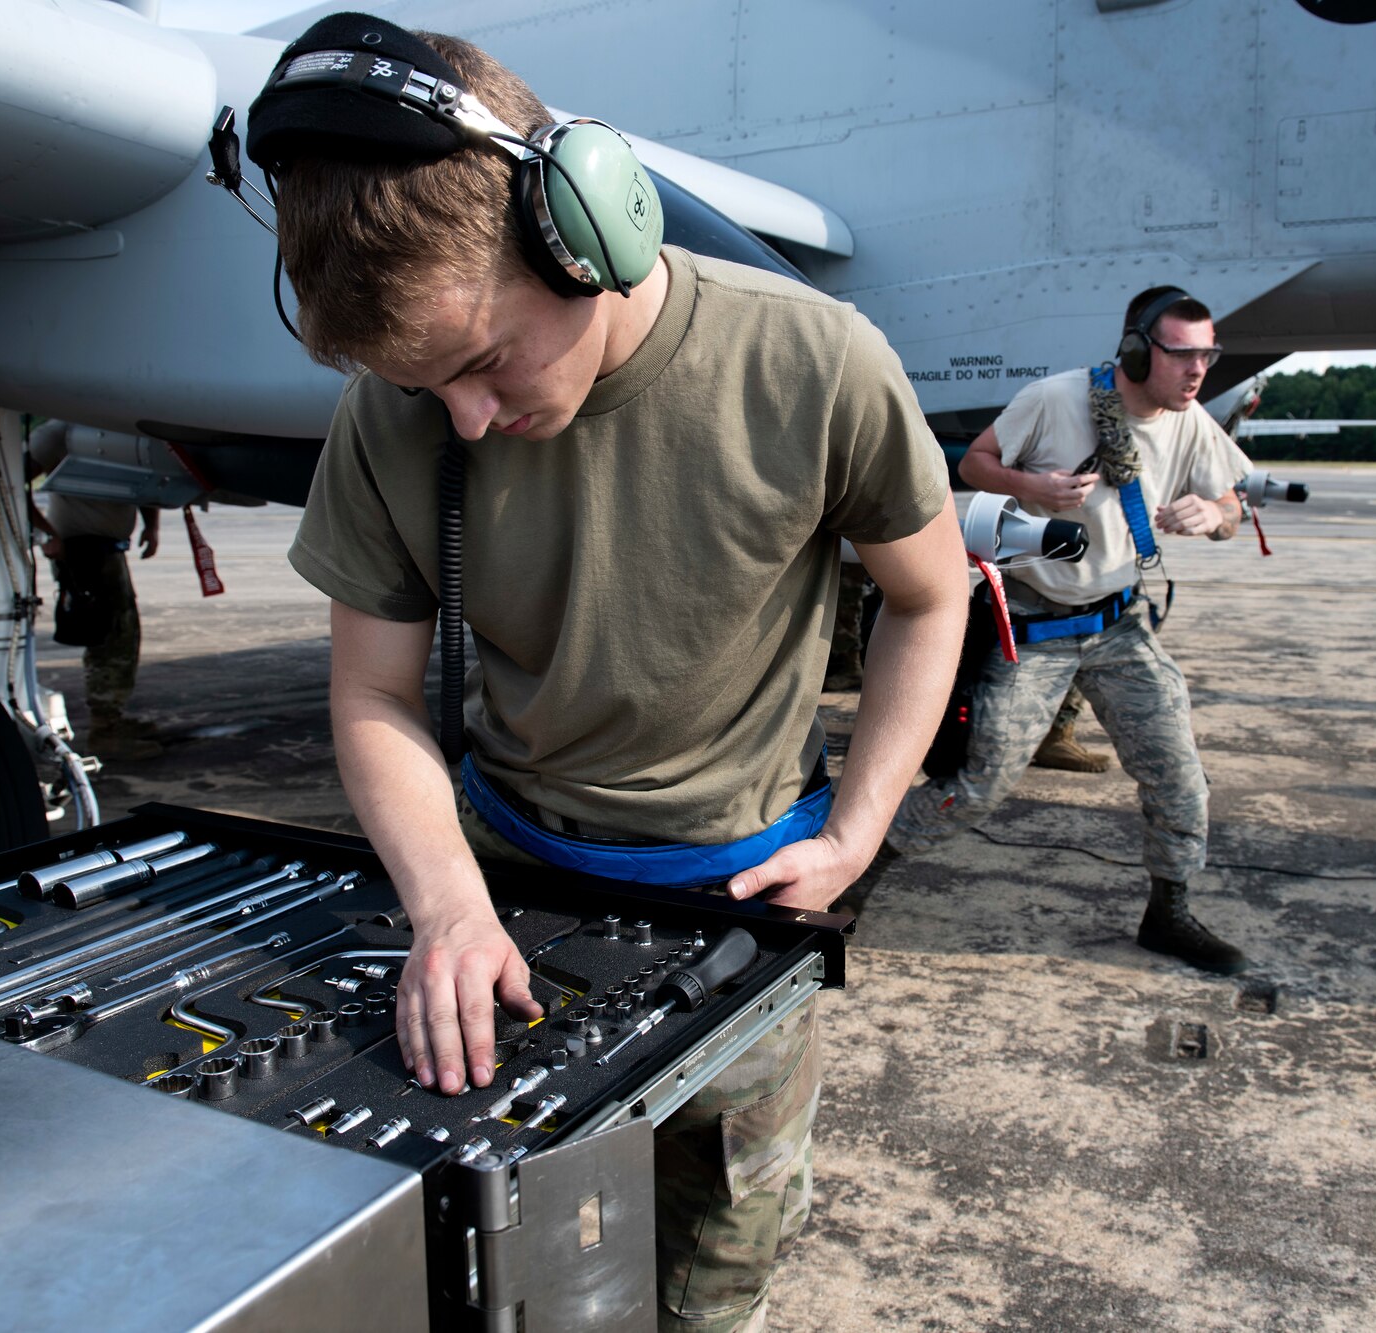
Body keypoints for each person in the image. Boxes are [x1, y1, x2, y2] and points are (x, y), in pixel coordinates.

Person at [250, 19, 967, 1330]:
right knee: (506, 1248)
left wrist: (859, 830)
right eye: (425, 387)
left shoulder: (815, 362)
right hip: (503, 892)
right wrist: (451, 909)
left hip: (740, 898)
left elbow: (931, 598)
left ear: (582, 231)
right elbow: (371, 696)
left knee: (719, 1248)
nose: (465, 419)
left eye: (479, 363)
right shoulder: (396, 411)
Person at [885, 286, 1255, 976]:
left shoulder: (1191, 419)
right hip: (1035, 621)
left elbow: (1235, 499)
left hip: (1120, 625)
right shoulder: (1055, 399)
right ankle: (861, 870)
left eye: (1208, 355)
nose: (1198, 370)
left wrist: (1216, 514)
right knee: (978, 781)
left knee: (1179, 775)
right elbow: (972, 463)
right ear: (1139, 350)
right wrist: (1035, 486)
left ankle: (1168, 911)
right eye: (1182, 354)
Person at [28, 422, 161, 761]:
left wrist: (152, 524)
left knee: (122, 633)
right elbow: (12, 483)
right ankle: (105, 730)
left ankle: (112, 718)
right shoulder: (59, 433)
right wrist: (47, 534)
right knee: (107, 636)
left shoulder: (123, 426)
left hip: (108, 551)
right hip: (81, 552)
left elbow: (144, 479)